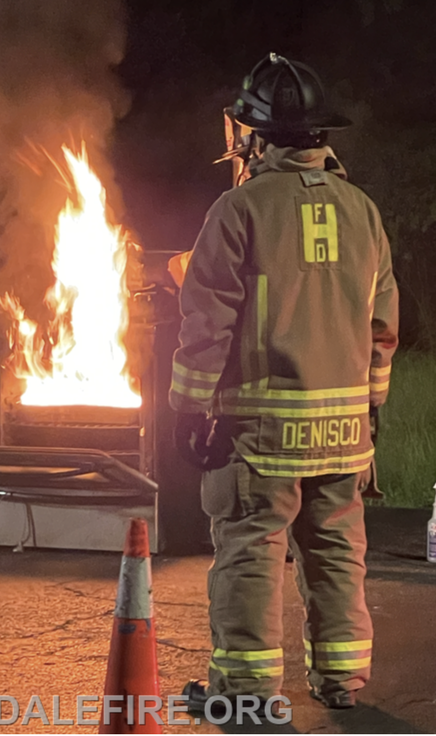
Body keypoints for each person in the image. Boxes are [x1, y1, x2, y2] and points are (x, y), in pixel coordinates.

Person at [169, 53, 399, 711]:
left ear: (257, 135)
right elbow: (381, 323)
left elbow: (205, 320)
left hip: (261, 436)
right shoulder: (363, 213)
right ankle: (341, 681)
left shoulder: (237, 210)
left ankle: (243, 692)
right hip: (345, 434)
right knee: (334, 557)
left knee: (249, 554)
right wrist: (371, 404)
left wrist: (187, 408)